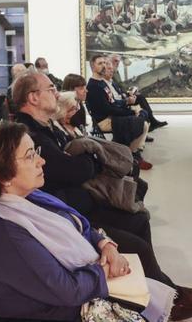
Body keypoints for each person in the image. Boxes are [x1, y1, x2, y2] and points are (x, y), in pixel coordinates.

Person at [0, 123, 192, 321]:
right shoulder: (3, 234)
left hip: (73, 294)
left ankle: (166, 301)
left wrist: (106, 245)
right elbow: (69, 291)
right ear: (2, 176)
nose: (42, 161)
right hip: (57, 312)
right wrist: (106, 269)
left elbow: (77, 222)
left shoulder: (27, 197)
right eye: (30, 156)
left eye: (36, 152)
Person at [14, 73, 154, 242]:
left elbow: (75, 162)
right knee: (137, 227)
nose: (57, 94)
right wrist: (88, 159)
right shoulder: (29, 134)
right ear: (33, 97)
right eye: (51, 89)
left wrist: (82, 159)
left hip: (78, 200)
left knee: (138, 216)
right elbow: (74, 171)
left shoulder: (48, 127)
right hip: (64, 213)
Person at [86, 55, 150, 159]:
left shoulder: (101, 83)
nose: (104, 66)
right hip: (105, 120)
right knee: (142, 123)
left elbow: (112, 102)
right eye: (100, 63)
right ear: (93, 67)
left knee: (142, 117)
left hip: (111, 116)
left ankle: (129, 151)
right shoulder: (93, 86)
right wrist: (130, 112)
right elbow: (107, 109)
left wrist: (126, 105)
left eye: (104, 63)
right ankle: (131, 153)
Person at [109, 54, 167, 130]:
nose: (117, 63)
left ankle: (151, 120)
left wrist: (129, 91)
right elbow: (115, 88)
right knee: (140, 98)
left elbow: (120, 85)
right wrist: (126, 94)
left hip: (121, 95)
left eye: (118, 61)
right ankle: (150, 122)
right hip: (118, 99)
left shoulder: (115, 71)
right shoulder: (110, 72)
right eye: (115, 61)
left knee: (140, 97)